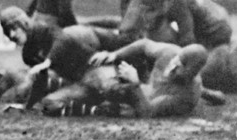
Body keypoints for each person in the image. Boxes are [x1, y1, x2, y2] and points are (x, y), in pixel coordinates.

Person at [90, 39, 224, 117]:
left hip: (148, 99)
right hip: (149, 90)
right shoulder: (170, 52)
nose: (171, 68)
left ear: (190, 73)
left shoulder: (186, 95)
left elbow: (147, 112)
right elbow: (144, 44)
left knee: (109, 90)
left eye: (179, 67)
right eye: (174, 61)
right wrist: (114, 54)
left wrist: (135, 83)